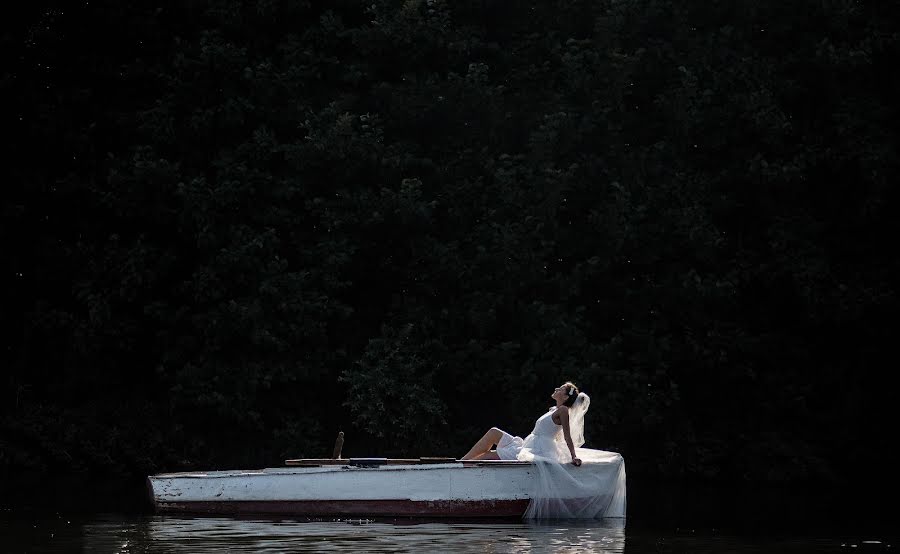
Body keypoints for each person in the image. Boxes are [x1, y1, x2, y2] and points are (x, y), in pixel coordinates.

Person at [460, 382, 626, 519]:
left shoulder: (563, 411)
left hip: (536, 448)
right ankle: (462, 462)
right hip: (528, 444)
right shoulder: (553, 410)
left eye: (560, 388)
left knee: (492, 447)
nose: (556, 389)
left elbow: (567, 437)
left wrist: (573, 456)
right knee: (493, 435)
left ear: (566, 396)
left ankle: (461, 464)